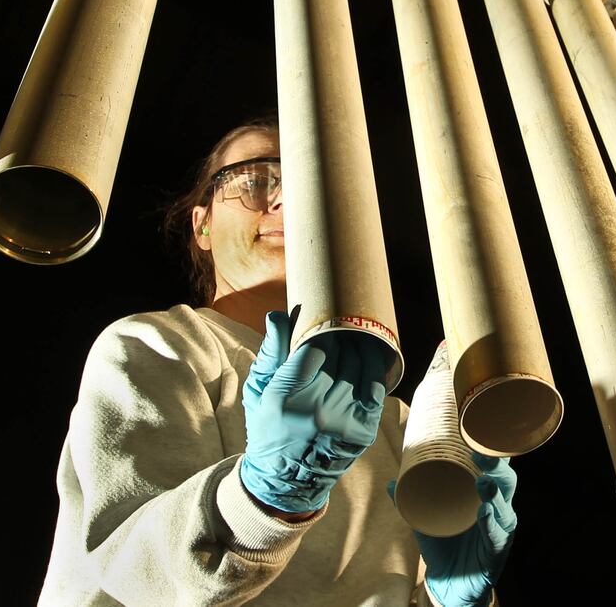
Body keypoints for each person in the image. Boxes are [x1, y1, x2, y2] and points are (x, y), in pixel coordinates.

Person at [40, 119, 519, 606]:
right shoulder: (158, 344)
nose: (286, 201)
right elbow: (135, 576)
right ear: (201, 223)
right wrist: (264, 499)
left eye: (310, 187)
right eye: (255, 181)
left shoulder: (396, 424)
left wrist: (456, 599)